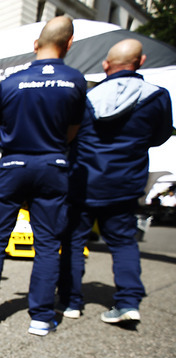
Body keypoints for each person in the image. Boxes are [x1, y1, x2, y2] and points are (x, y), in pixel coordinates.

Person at [0, 16, 87, 335]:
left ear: (35, 45)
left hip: (13, 165)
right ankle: (42, 317)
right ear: (69, 44)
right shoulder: (75, 80)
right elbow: (73, 131)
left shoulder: (11, 82)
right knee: (47, 243)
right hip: (54, 165)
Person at [58, 38, 173, 325]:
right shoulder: (157, 96)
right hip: (125, 183)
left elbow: (70, 137)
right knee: (123, 242)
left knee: (73, 241)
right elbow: (159, 137)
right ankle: (127, 302)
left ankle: (70, 301)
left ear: (106, 65)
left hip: (83, 181)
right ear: (140, 62)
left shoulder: (87, 98)